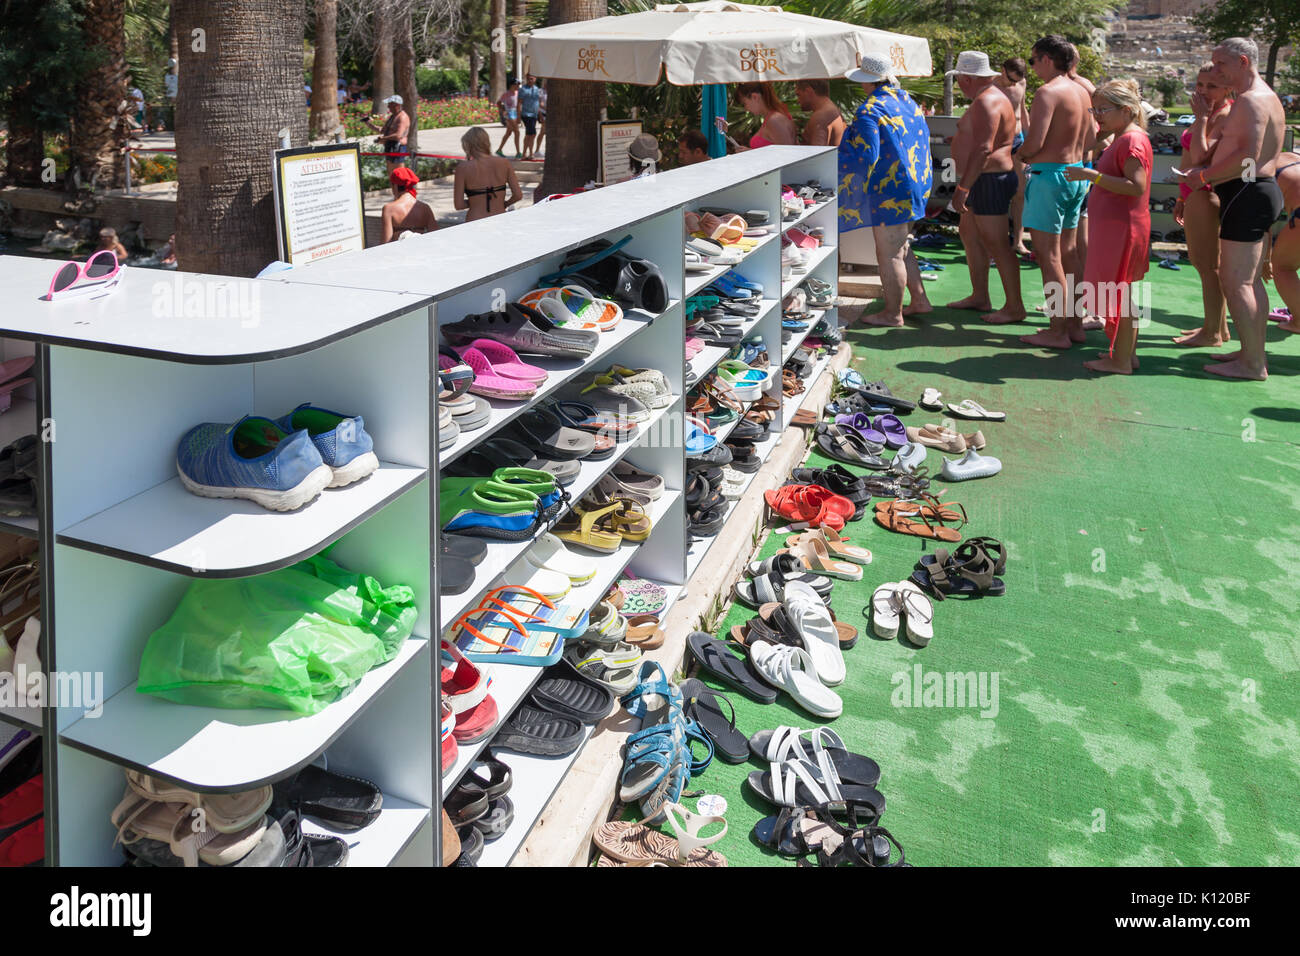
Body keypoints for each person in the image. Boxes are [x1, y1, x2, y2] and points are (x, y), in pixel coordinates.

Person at [1176, 36, 1286, 380]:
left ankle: (1253, 364)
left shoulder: (1251, 101)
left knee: (1236, 281)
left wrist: (1204, 175)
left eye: (1221, 63)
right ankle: (1251, 352)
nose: (1216, 69)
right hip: (1250, 192)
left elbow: (1250, 160)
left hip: (1248, 193)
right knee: (1248, 282)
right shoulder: (1260, 97)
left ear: (1242, 62)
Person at [1063, 80, 1153, 375]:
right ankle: (1126, 354)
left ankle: (1121, 360)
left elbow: (1135, 186)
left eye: (1103, 109)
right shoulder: (1123, 137)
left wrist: (1091, 175)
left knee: (1120, 295)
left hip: (1123, 230)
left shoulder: (1131, 140)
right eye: (1095, 109)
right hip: (1118, 228)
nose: (1097, 115)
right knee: (1119, 293)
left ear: (1126, 110)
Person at [838, 53, 934, 326]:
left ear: (866, 81)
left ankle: (892, 313)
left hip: (890, 189)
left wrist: (837, 160)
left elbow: (866, 155)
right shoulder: (907, 101)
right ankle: (920, 300)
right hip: (917, 183)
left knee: (889, 253)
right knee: (902, 246)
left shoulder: (870, 109)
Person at [1016, 34, 1095, 350]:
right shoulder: (1082, 91)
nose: (1033, 67)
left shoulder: (1049, 93)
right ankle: (1074, 326)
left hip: (1050, 178)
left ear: (1047, 59)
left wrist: (1022, 154)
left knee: (1049, 258)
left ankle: (1057, 330)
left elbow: (1034, 142)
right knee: (1069, 254)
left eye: (1034, 60)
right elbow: (1092, 137)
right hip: (1075, 175)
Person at [946, 51, 1026, 325]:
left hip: (988, 180)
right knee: (969, 234)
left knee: (997, 244)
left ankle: (1015, 307)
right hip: (983, 179)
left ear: (967, 78)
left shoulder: (987, 101)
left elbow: (983, 148)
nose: (958, 84)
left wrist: (963, 188)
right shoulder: (987, 99)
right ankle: (980, 295)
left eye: (958, 79)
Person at [1171, 64, 1234, 348]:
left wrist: (1202, 118)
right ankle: (1217, 326)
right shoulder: (1209, 114)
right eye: (1200, 84)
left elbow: (1198, 156)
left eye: (1212, 86)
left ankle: (1212, 334)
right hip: (1194, 194)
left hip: (1207, 194)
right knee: (1204, 264)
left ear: (1228, 87)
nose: (1203, 91)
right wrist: (1182, 197)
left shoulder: (1224, 115)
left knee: (1208, 265)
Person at [1066, 43, 1102, 332]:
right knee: (1070, 245)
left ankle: (1090, 308)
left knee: (1080, 244)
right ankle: (1073, 303)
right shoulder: (1074, 86)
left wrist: (1085, 153)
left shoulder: (1081, 86)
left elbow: (1102, 132)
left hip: (1080, 171)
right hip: (1077, 169)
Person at [995, 57, 1032, 255]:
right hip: (998, 144)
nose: (1014, 84)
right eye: (1011, 79)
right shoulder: (991, 85)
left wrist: (1031, 139)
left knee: (1020, 192)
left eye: (1017, 81)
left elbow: (1022, 110)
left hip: (1018, 140)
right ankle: (996, 241)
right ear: (1002, 71)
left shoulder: (1021, 83)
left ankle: (1018, 240)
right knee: (998, 193)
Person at [1262, 151, 1300, 333]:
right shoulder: (1291, 156)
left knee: (1283, 267)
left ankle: (1298, 321)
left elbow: (1264, 219)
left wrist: (1266, 259)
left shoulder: (1257, 166)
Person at [455, 126, 521, 222]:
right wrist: (505, 203)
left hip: (474, 220)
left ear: (468, 145)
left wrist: (476, 201)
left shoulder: (463, 168)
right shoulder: (504, 163)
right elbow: (518, 195)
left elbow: (459, 205)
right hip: (500, 217)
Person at [715, 82, 796, 151]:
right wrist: (750, 152)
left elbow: (786, 156)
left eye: (744, 104)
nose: (746, 109)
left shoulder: (775, 120)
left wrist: (751, 153)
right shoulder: (773, 118)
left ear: (755, 97)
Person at [380, 167, 436, 242]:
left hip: (401, 252)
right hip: (420, 249)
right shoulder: (425, 208)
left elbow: (385, 243)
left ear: (395, 186)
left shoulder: (389, 209)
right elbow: (436, 235)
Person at [795, 79, 845, 147]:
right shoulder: (832, 110)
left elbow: (818, 153)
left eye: (798, 95)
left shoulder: (821, 117)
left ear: (808, 91)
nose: (798, 101)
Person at [364, 95, 410, 170]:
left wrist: (383, 138)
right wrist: (369, 124)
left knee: (399, 174)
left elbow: (398, 135)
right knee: (391, 173)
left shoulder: (402, 117)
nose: (388, 106)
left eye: (390, 104)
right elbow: (383, 130)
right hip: (390, 146)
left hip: (398, 148)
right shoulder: (393, 116)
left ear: (397, 105)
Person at [518, 74, 542, 161]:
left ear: (535, 79)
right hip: (526, 114)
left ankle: (526, 153)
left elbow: (537, 103)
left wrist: (540, 115)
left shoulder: (537, 89)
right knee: (532, 134)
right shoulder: (523, 89)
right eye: (528, 79)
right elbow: (519, 103)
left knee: (529, 134)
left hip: (534, 115)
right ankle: (529, 153)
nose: (530, 80)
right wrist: (518, 116)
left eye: (532, 78)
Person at [496, 80, 521, 158]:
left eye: (518, 85)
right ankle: (518, 152)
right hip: (510, 113)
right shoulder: (506, 94)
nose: (518, 86)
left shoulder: (518, 93)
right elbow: (498, 102)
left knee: (508, 133)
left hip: (515, 113)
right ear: (512, 85)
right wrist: (503, 111)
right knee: (517, 132)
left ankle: (499, 149)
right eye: (516, 85)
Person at [535, 80, 548, 158]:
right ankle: (537, 150)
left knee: (544, 132)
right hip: (543, 113)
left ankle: (540, 150)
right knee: (543, 132)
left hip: (551, 114)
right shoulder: (540, 91)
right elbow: (539, 104)